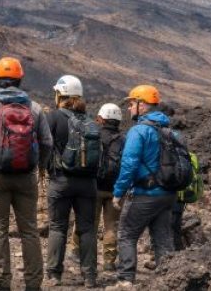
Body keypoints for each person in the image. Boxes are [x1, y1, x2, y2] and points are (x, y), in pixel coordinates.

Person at [0, 57, 52, 291]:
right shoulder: (34, 108)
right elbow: (47, 142)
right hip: (26, 177)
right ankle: (33, 283)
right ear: (20, 79)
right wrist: (41, 168)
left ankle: (2, 282)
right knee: (30, 230)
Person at [111, 85, 177, 286]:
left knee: (127, 234)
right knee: (163, 239)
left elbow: (129, 164)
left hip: (144, 193)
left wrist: (118, 192)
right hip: (167, 194)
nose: (129, 108)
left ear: (142, 105)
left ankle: (125, 280)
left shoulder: (139, 131)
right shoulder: (169, 131)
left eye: (132, 103)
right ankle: (170, 280)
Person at [44, 75, 99, 288]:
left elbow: (44, 145)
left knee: (58, 227)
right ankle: (90, 276)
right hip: (88, 184)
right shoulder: (90, 120)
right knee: (87, 229)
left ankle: (54, 275)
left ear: (60, 94)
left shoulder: (54, 117)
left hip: (61, 181)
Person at [71, 103, 125, 272]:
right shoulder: (124, 140)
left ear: (100, 118)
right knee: (111, 226)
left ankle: (80, 253)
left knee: (88, 224)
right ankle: (109, 262)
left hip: (92, 187)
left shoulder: (93, 134)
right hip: (115, 190)